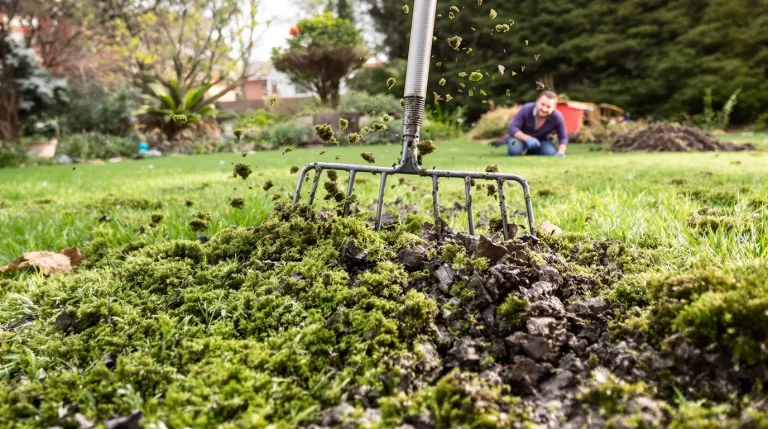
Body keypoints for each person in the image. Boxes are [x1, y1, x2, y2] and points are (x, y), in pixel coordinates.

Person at [506, 90, 568, 157]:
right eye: (542, 104)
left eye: (548, 107)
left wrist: (561, 152)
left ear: (554, 107)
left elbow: (563, 137)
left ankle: (531, 151)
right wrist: (528, 139)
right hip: (520, 138)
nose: (544, 109)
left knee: (550, 152)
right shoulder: (526, 109)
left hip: (542, 141)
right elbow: (512, 128)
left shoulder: (557, 117)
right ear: (537, 101)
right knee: (514, 150)